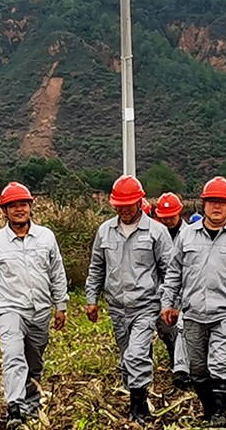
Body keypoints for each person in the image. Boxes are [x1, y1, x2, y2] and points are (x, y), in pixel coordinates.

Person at [160, 176, 226, 427]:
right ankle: (209, 409)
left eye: (222, 202)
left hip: (225, 312)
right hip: (193, 312)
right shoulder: (187, 236)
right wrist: (168, 303)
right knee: (197, 368)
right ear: (203, 204)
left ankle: (220, 413)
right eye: (212, 201)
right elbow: (174, 272)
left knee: (220, 362)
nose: (217, 207)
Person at [0, 182, 68, 429]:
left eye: (23, 204)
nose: (19, 209)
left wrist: (61, 305)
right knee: (14, 355)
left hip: (40, 310)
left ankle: (31, 404)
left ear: (30, 207)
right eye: (12, 206)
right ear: (4, 211)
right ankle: (14, 407)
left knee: (34, 361)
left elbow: (57, 273)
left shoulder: (46, 237)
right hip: (9, 309)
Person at [85, 175, 174, 424]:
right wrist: (91, 299)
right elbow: (97, 268)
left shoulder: (157, 232)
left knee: (135, 355)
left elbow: (170, 271)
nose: (124, 210)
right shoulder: (105, 231)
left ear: (139, 202)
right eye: (119, 205)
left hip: (146, 305)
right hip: (117, 307)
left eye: (128, 205)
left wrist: (169, 302)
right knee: (127, 359)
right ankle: (139, 394)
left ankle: (138, 407)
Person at [155, 192, 192, 391]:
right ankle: (176, 363)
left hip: (185, 293)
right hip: (161, 293)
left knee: (183, 332)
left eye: (171, 217)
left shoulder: (190, 235)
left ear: (180, 213)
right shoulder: (155, 234)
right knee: (166, 331)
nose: (168, 221)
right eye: (164, 217)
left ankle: (184, 370)